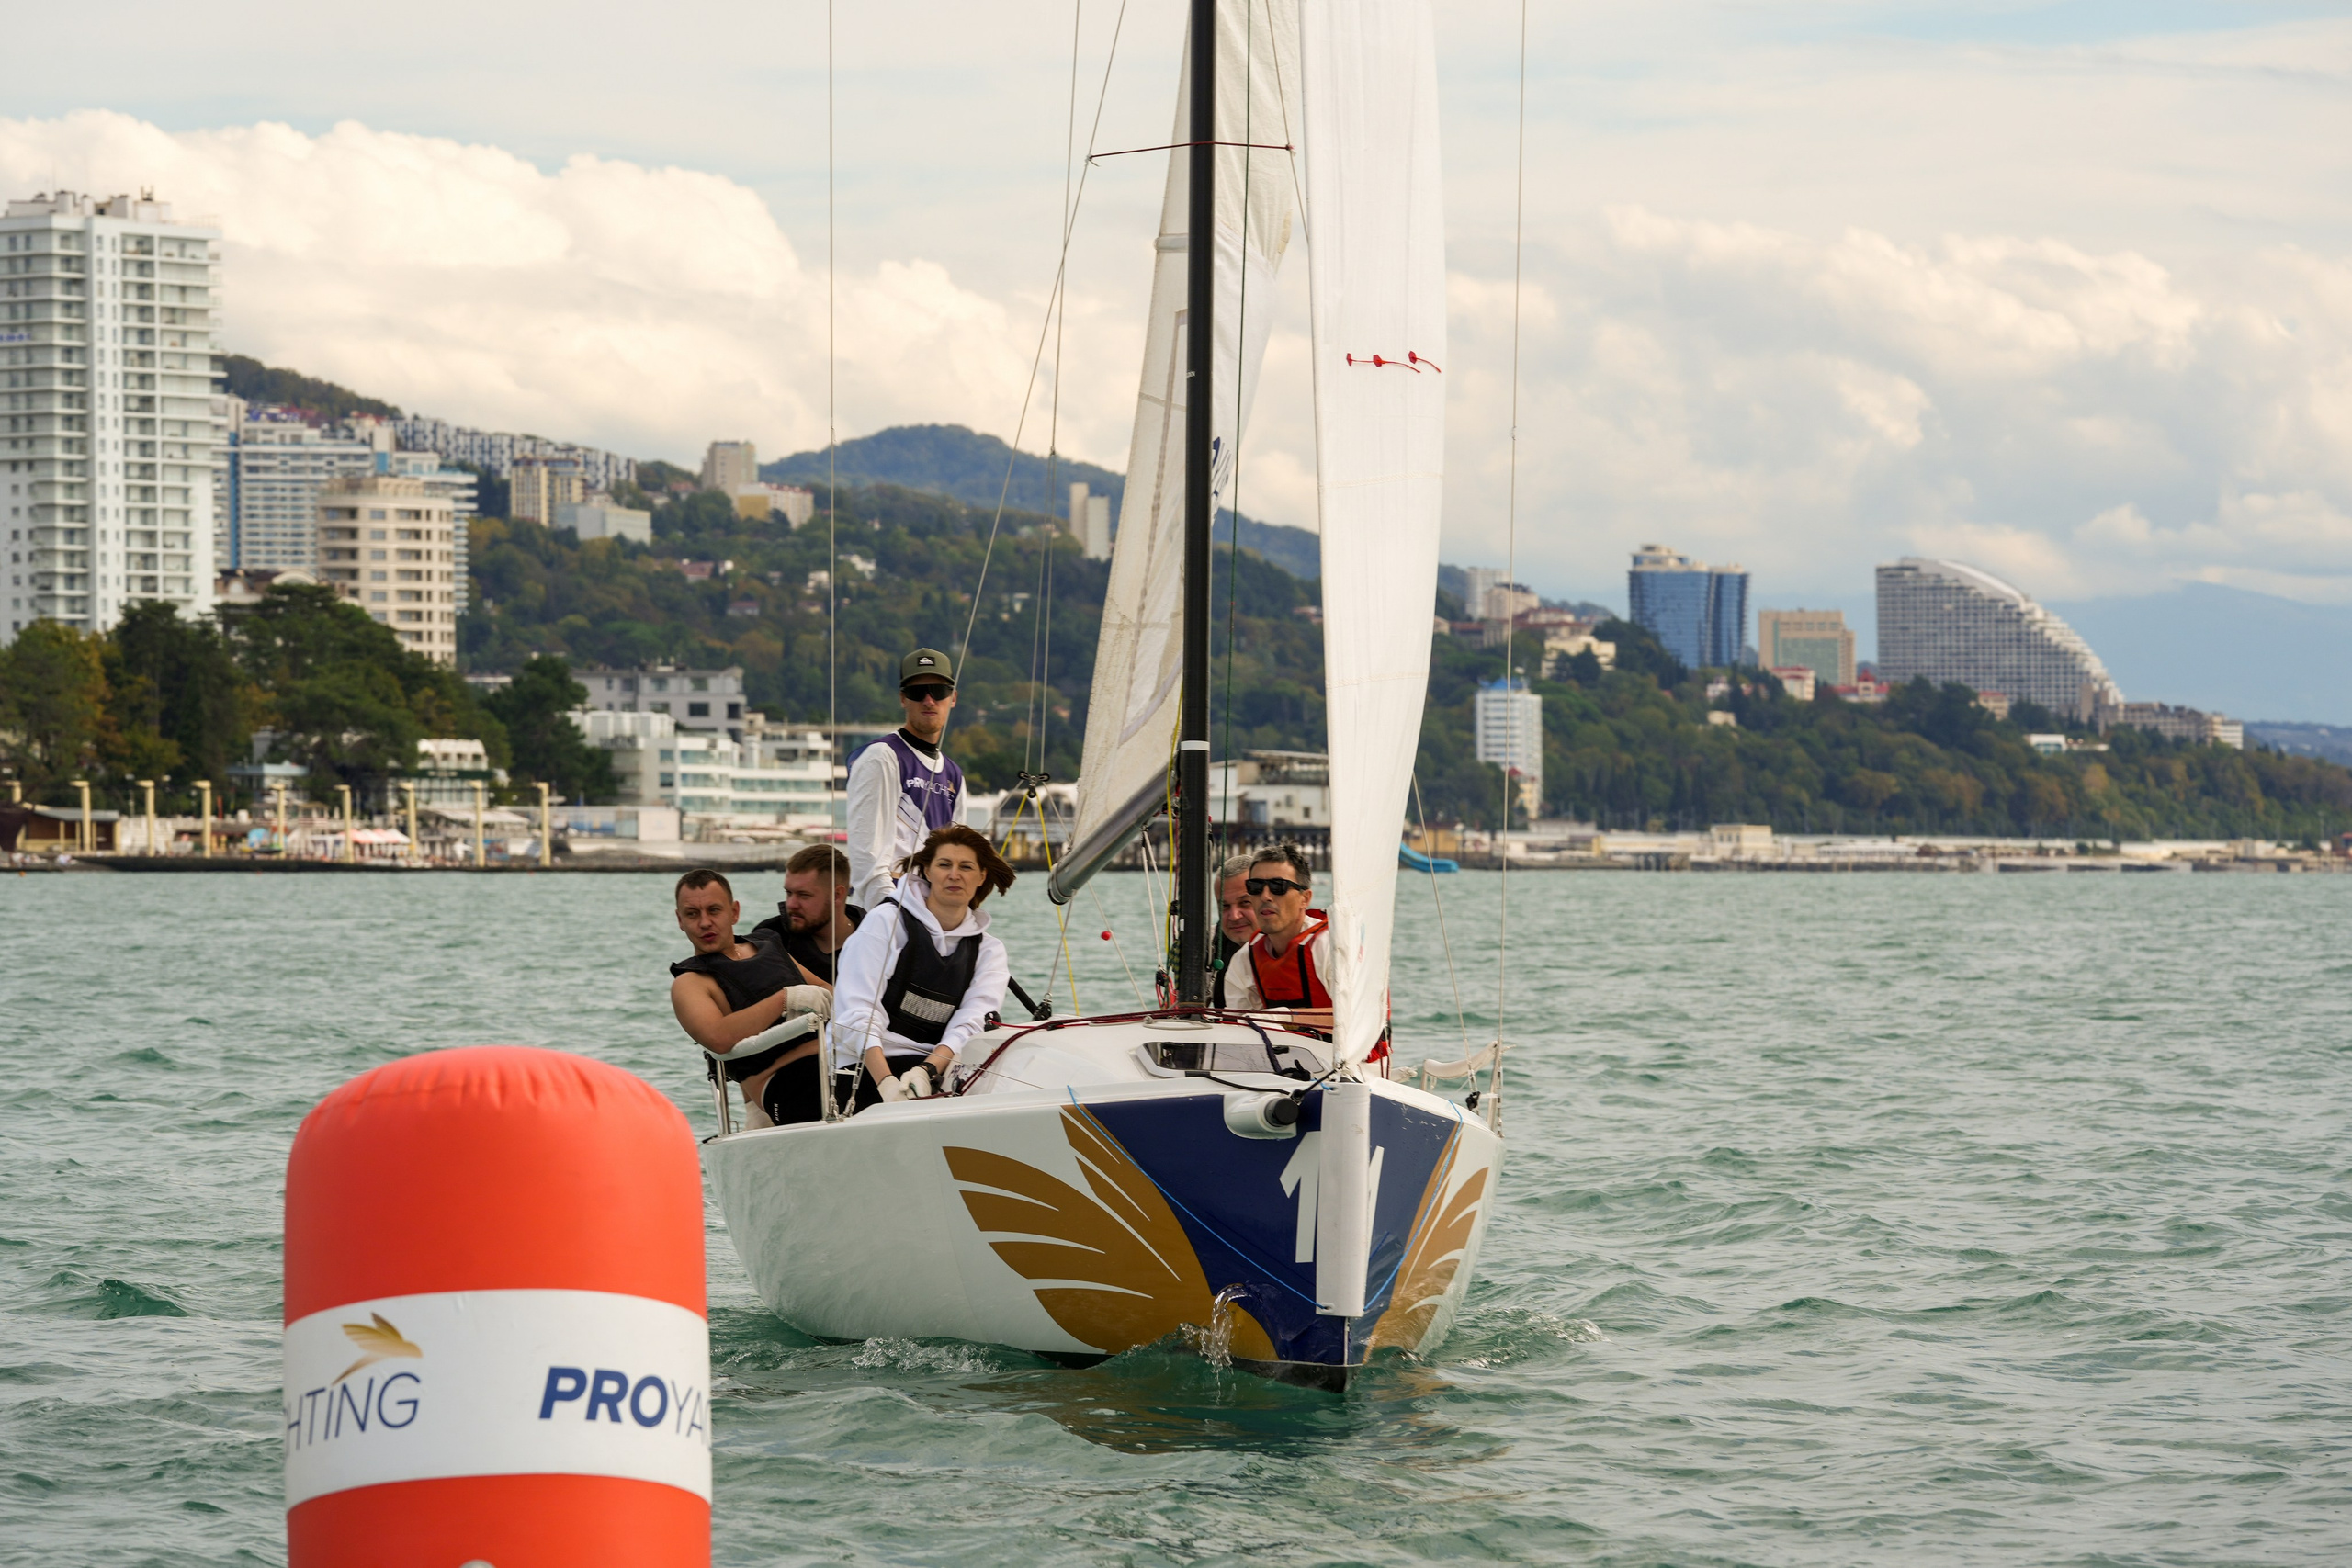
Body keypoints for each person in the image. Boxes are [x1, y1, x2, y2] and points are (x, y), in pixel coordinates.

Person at [828, 824, 1013, 1113]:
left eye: (966, 866)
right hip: (862, 1065)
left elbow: (969, 1024)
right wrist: (887, 1085)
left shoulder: (989, 951)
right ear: (926, 870)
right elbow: (857, 1012)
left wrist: (925, 1072)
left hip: (933, 1070)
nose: (955, 874)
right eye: (944, 864)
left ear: (982, 876)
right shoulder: (886, 923)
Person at [669, 868, 833, 1126]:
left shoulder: (768, 944)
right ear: (680, 920)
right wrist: (785, 999)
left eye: (714, 910)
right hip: (786, 1082)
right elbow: (717, 1038)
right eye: (692, 914)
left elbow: (826, 988)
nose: (704, 923)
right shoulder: (690, 982)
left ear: (734, 912)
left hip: (838, 1060)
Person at [844, 647, 966, 913]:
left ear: (953, 698)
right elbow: (867, 857)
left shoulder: (954, 775)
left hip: (935, 914)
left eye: (939, 691)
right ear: (903, 699)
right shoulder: (882, 758)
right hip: (888, 917)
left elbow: (959, 858)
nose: (929, 700)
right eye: (917, 692)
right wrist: (893, 915)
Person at [1222, 843, 1334, 1032]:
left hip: (1347, 1060)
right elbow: (1237, 1026)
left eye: (1278, 886)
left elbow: (1360, 1018)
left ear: (1305, 899)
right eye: (1255, 887)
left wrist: (1287, 1017)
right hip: (1280, 1058)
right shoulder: (1245, 959)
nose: (1265, 896)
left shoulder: (1330, 947)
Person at [752, 842, 863, 985]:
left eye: (804, 895)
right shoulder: (769, 939)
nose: (791, 904)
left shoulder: (874, 941)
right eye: (789, 893)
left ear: (837, 895)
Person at [1210, 852, 1259, 1009]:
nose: (1234, 916)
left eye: (1245, 902)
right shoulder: (1209, 944)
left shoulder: (1310, 945)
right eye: (1224, 906)